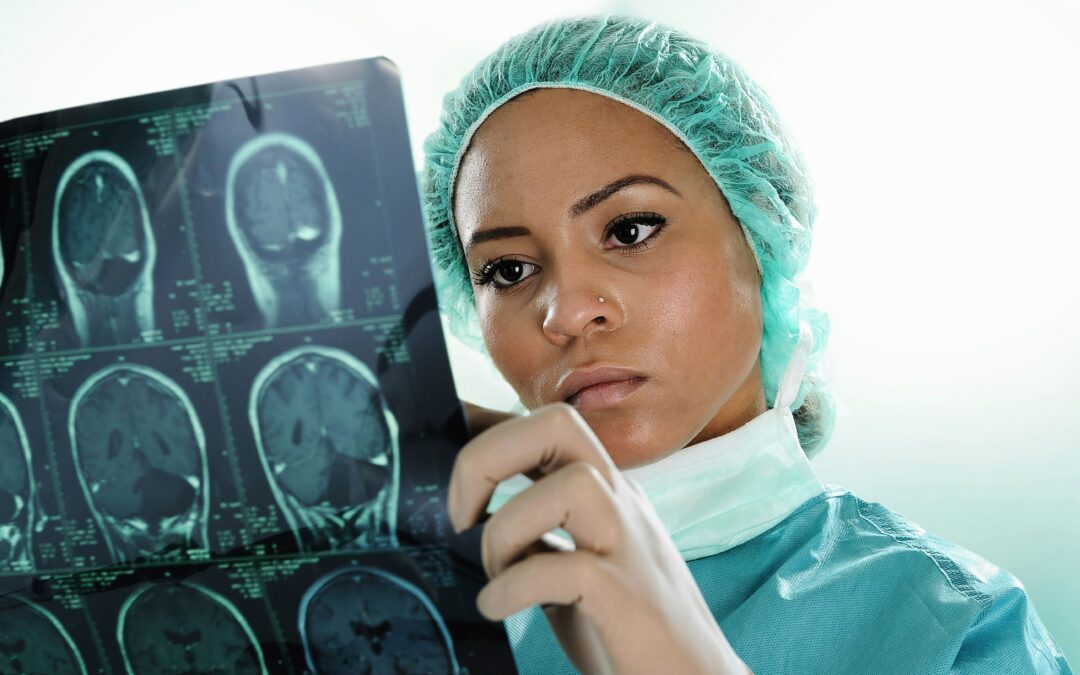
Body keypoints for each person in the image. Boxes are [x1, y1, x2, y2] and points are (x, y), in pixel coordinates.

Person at [421, 14, 1073, 675]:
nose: (565, 313)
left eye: (630, 229)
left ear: (762, 237)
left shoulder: (952, 626)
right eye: (508, 270)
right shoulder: (414, 609)